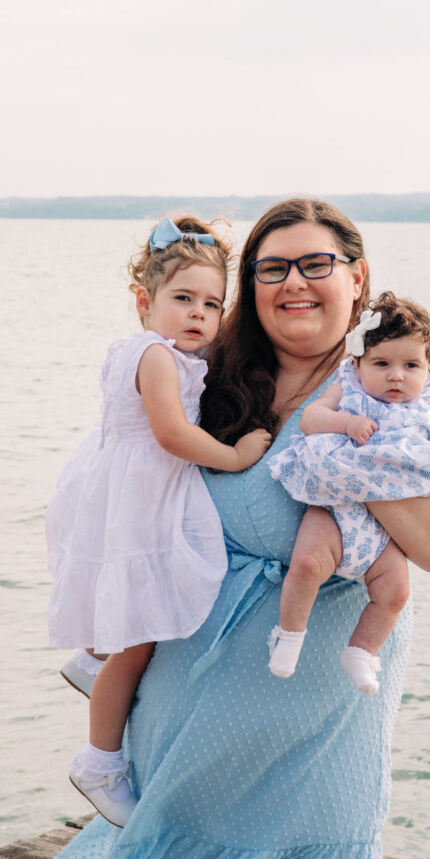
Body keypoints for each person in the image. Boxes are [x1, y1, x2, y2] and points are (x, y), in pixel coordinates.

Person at [32, 197, 430, 859]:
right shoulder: (205, 374)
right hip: (188, 710)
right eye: (272, 269)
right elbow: (119, 487)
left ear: (357, 278)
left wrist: (352, 451)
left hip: (321, 727)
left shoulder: (396, 386)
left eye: (316, 264)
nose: (294, 282)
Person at [45, 213, 271, 827]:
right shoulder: (158, 358)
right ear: (144, 301)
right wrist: (235, 456)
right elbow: (172, 434)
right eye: (183, 299)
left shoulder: (148, 350)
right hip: (141, 499)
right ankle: (99, 761)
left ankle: (92, 659)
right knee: (141, 634)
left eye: (212, 304)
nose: (198, 314)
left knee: (132, 621)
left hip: (121, 491)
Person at [266, 290, 430, 694]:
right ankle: (289, 636)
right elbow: (311, 419)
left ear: (429, 368)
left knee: (395, 593)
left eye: (411, 365)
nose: (396, 376)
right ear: (357, 364)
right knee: (306, 564)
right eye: (381, 364)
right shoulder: (348, 390)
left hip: (384, 531)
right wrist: (345, 423)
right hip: (337, 507)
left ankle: (361, 652)